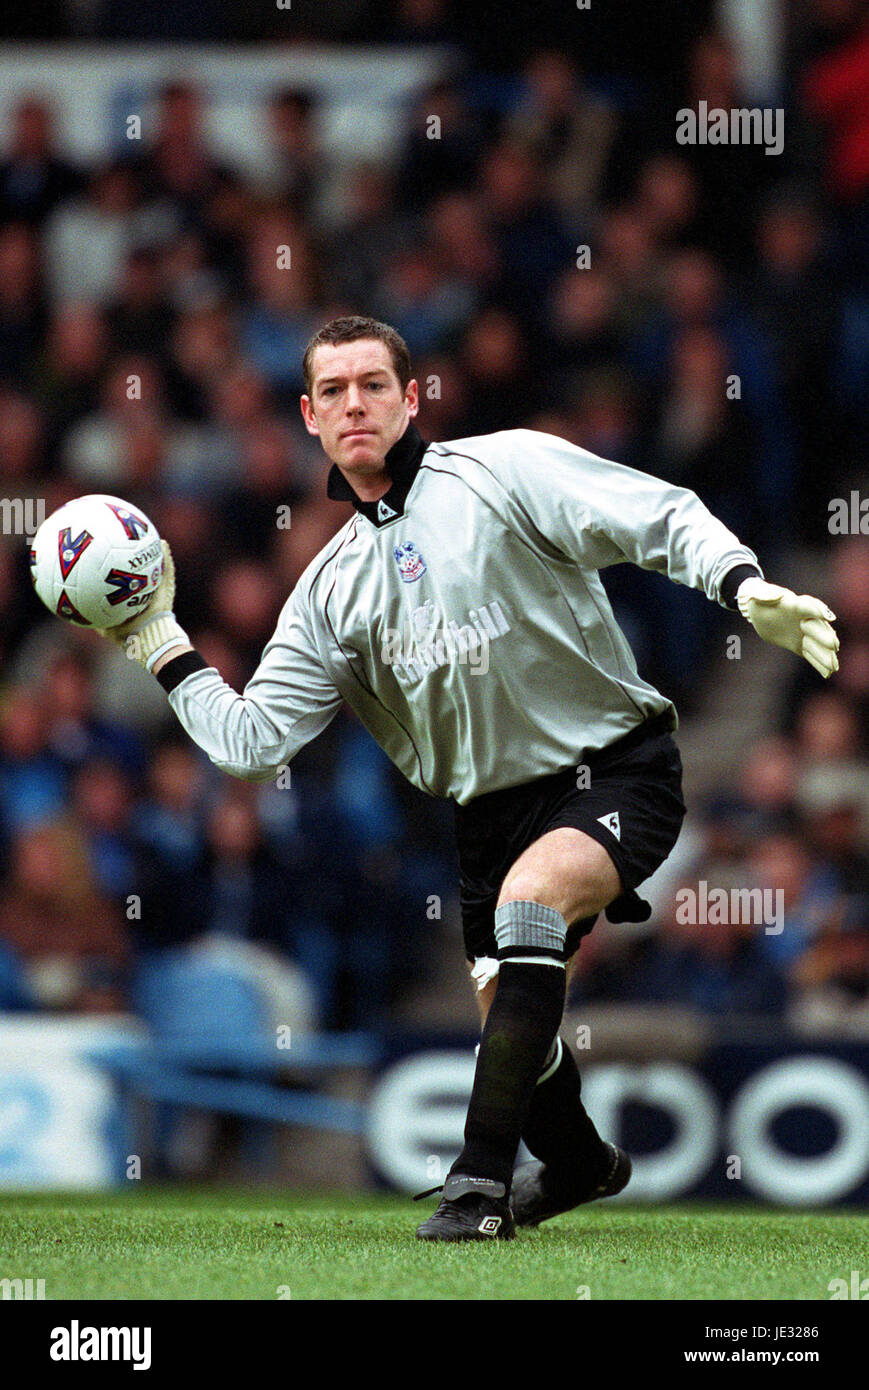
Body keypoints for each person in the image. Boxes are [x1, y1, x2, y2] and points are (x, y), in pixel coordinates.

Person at [99, 315, 839, 1241]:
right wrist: (159, 641)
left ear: (413, 399)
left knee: (531, 912)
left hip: (613, 768)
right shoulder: (329, 589)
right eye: (333, 391)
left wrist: (739, 585)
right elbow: (253, 745)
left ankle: (475, 1184)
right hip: (485, 821)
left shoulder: (507, 469)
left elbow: (657, 515)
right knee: (516, 1036)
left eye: (374, 384)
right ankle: (576, 1160)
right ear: (308, 417)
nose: (354, 404)